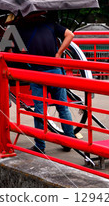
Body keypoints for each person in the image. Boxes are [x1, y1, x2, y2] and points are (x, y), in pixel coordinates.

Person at [15, 12, 75, 154]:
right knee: (63, 108)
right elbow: (70, 35)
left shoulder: (22, 29)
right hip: (56, 72)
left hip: (38, 74)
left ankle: (40, 146)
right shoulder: (51, 25)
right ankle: (69, 141)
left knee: (40, 112)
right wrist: (59, 53)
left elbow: (18, 52)